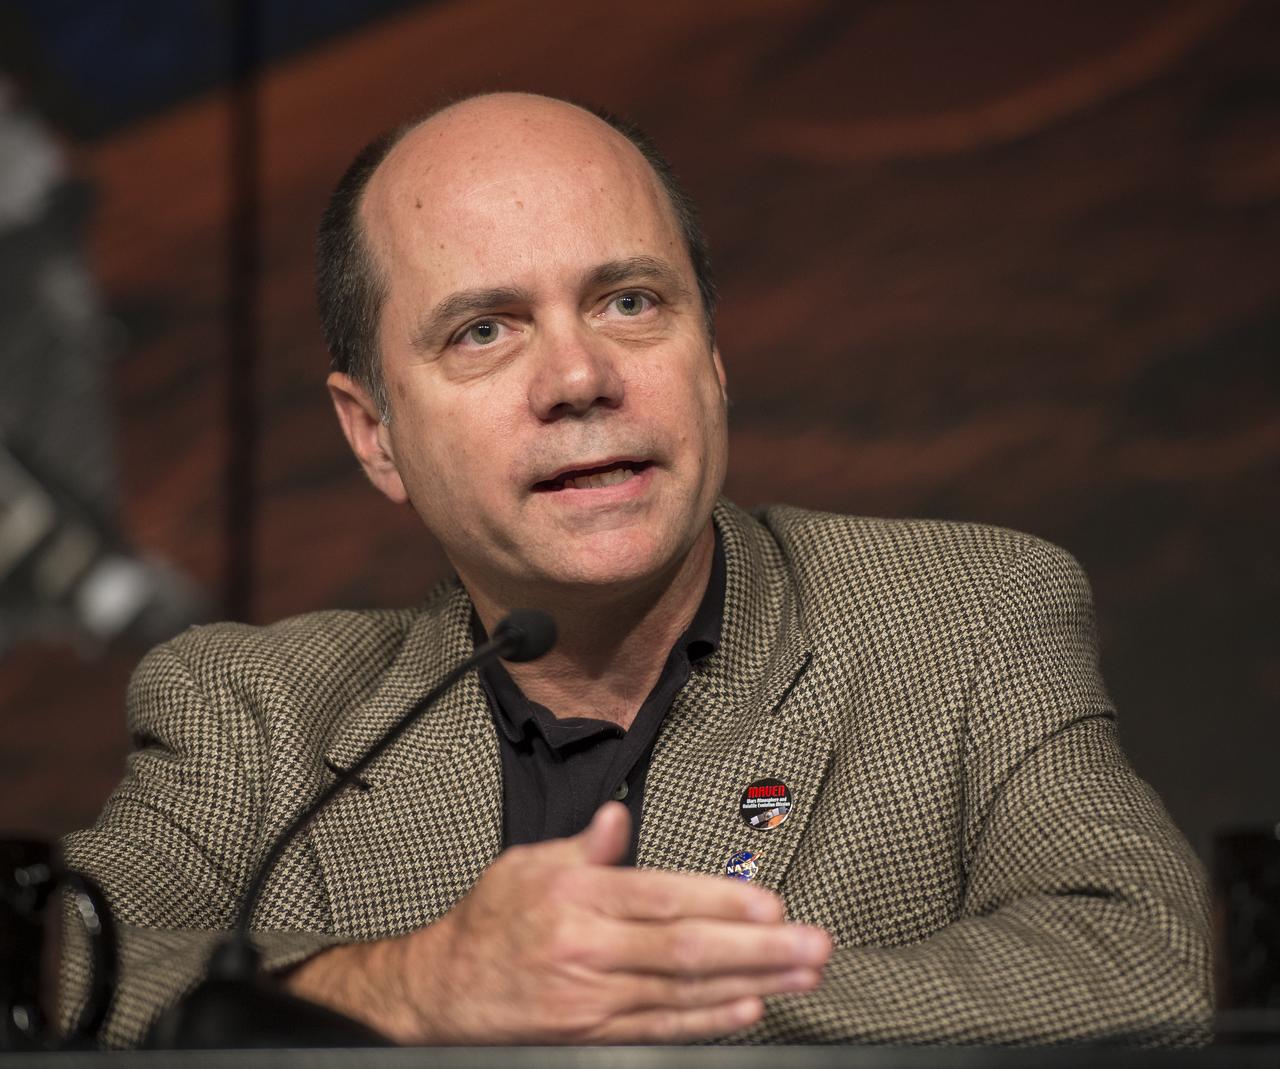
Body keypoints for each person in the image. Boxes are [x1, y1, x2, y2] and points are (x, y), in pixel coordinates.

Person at [62, 92, 1211, 1048]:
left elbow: (1148, 959)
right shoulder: (252, 715)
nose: (578, 378)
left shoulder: (960, 618)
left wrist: (643, 1001)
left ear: (711, 353)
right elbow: (52, 964)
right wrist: (412, 988)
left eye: (628, 302)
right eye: (483, 330)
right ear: (374, 436)